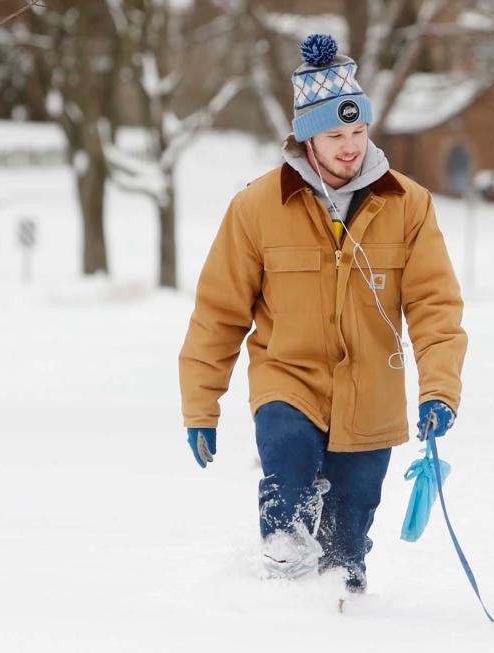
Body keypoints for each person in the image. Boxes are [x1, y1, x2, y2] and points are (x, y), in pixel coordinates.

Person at [178, 34, 467, 593]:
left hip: (371, 398)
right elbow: (219, 313)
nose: (350, 146)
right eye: (336, 134)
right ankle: (283, 588)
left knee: (345, 554)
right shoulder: (257, 207)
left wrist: (439, 390)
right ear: (307, 135)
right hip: (289, 379)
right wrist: (200, 405)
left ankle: (338, 631)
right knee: (287, 482)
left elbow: (436, 308)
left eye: (358, 132)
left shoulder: (408, 205)